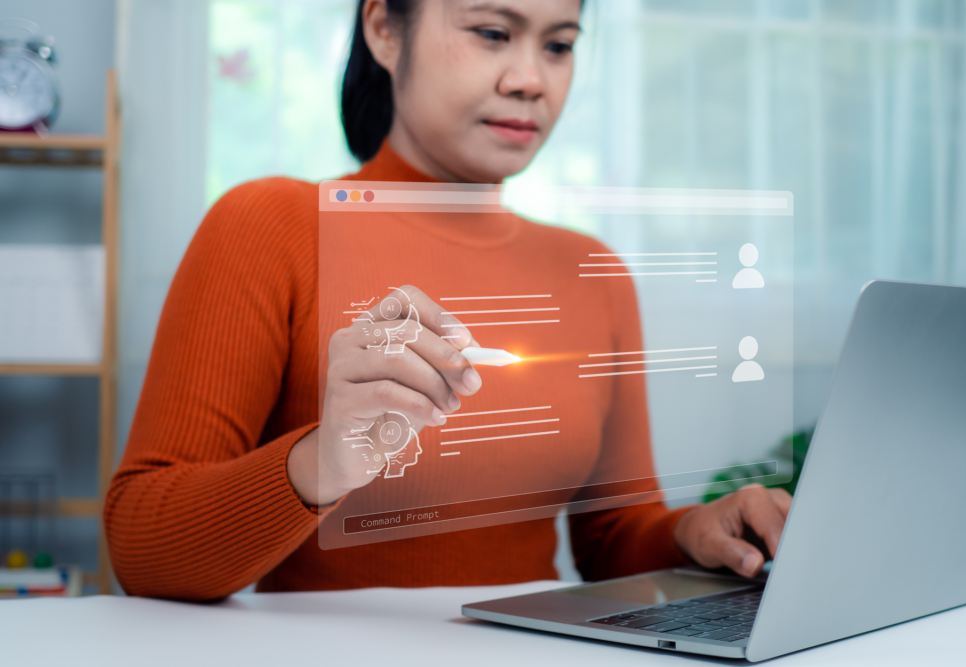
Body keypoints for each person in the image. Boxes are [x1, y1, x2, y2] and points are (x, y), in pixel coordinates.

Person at [105, 0, 791, 601]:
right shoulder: (270, 226)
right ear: (383, 28)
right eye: (493, 31)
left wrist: (694, 531)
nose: (530, 79)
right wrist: (323, 458)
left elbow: (611, 538)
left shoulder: (593, 272)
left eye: (559, 44)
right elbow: (143, 544)